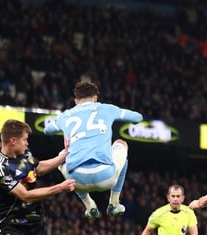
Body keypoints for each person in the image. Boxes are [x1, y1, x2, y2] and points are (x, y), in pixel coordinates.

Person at [44, 80, 143, 219]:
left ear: (76, 101)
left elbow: (47, 130)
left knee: (62, 155)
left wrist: (65, 129)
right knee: (121, 143)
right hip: (105, 177)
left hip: (76, 182)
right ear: (96, 98)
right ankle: (114, 203)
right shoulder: (107, 108)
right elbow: (138, 118)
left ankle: (89, 205)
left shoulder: (66, 115)